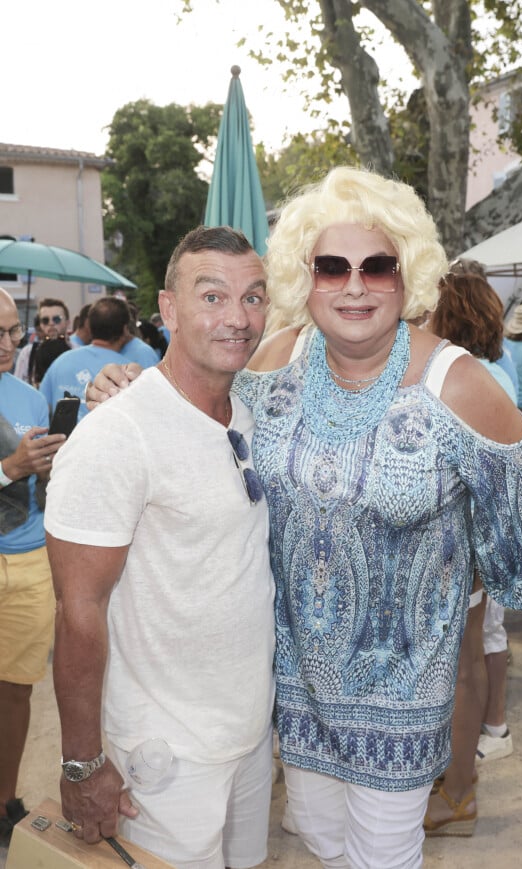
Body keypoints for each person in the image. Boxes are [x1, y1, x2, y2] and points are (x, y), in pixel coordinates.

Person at [89, 167, 522, 868]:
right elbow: (194, 410)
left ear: (408, 276)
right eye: (332, 265)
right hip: (295, 689)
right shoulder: (275, 363)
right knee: (318, 839)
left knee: (382, 854)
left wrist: (460, 595)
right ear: (303, 276)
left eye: (378, 266)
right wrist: (120, 387)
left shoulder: (457, 384)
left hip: (402, 694)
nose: (354, 284)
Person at [44, 227, 275, 869]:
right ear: (168, 310)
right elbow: (77, 609)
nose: (237, 317)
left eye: (254, 297)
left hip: (250, 741)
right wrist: (83, 763)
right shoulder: (117, 435)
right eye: (213, 296)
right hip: (163, 763)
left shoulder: (252, 409)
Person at [422, 270, 517, 837]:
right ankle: (456, 785)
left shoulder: (470, 379)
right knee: (467, 659)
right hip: (467, 546)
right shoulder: (488, 371)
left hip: (465, 546)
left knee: (463, 664)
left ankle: (458, 792)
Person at [0, 287, 66, 846]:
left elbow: (45, 485)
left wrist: (55, 464)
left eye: (13, 332)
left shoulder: (29, 398)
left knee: (17, 690)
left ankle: (5, 799)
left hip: (30, 559)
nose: (8, 343)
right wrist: (9, 468)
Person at [39, 297, 136, 420]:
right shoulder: (127, 372)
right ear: (125, 330)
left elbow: (41, 407)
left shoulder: (61, 361)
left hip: (64, 438)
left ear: (89, 327)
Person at [14, 298, 70, 385]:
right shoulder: (28, 353)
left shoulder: (77, 350)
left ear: (67, 322)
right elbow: (17, 386)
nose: (51, 323)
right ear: (40, 324)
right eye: (45, 320)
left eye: (56, 319)